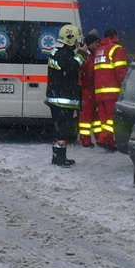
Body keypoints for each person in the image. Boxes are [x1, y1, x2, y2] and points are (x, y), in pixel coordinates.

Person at [46, 24, 83, 167]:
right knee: (63, 131)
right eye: (76, 39)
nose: (77, 42)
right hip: (63, 98)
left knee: (58, 130)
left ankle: (57, 157)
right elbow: (72, 68)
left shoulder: (56, 51)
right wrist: (82, 54)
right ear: (70, 38)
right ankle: (60, 159)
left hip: (57, 96)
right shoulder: (64, 53)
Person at [92, 28, 128, 151]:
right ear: (114, 36)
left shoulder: (98, 50)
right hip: (112, 91)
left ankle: (109, 143)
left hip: (99, 91)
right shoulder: (116, 49)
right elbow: (121, 71)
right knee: (112, 119)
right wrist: (126, 84)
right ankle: (103, 139)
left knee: (104, 119)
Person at [77, 29, 100, 148]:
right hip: (86, 90)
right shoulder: (84, 55)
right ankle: (85, 140)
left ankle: (99, 137)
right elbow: (80, 71)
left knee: (96, 117)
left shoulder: (94, 55)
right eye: (96, 43)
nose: (98, 45)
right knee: (86, 117)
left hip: (94, 90)